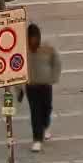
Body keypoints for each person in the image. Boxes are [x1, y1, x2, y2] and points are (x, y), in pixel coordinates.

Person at [24, 23, 61, 152]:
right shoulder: (24, 49)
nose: (32, 40)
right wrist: (18, 88)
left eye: (34, 37)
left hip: (46, 84)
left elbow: (56, 61)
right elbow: (17, 69)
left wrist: (54, 78)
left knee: (47, 108)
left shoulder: (47, 47)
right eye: (30, 37)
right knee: (35, 112)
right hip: (31, 86)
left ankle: (45, 126)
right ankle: (37, 139)